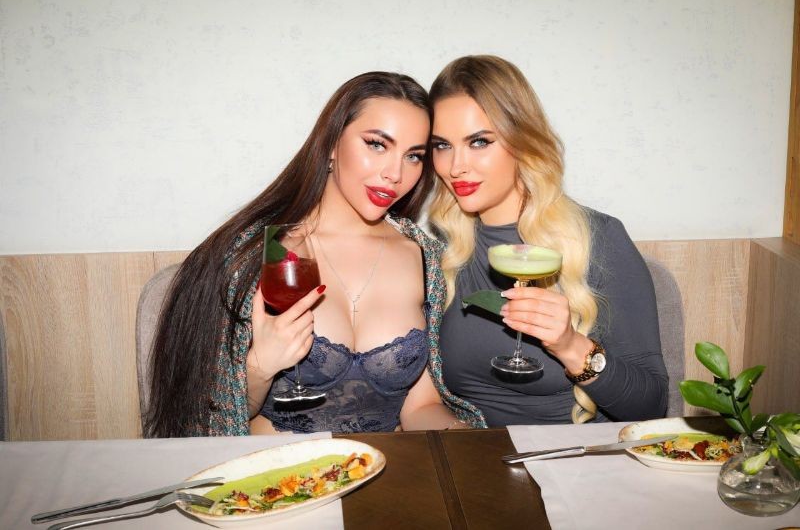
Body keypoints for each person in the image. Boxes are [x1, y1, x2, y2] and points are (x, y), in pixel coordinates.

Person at [145, 72, 480, 437]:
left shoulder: (423, 256)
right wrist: (260, 366)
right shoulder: (258, 255)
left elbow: (421, 407)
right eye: (377, 145)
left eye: (413, 156)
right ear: (332, 144)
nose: (395, 174)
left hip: (383, 466)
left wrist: (475, 441)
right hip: (280, 469)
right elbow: (203, 420)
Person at [428, 55, 668, 426]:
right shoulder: (445, 253)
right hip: (477, 456)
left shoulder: (599, 239)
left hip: (571, 455)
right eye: (442, 145)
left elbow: (652, 406)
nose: (456, 166)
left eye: (479, 142)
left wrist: (571, 346)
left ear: (522, 140)